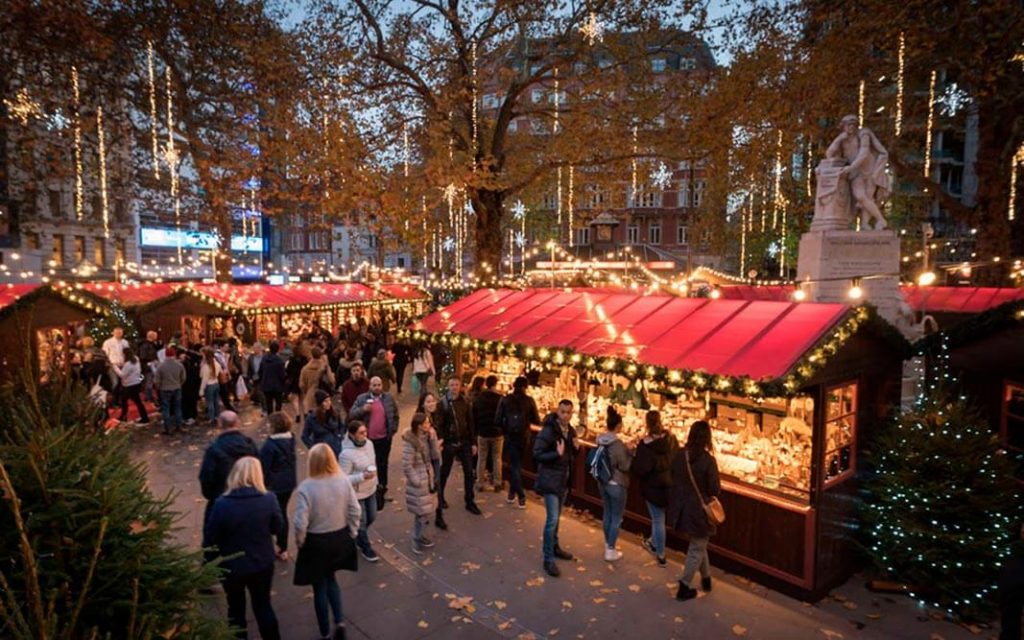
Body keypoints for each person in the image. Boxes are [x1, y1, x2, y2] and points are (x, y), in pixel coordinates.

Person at [204, 457, 283, 640]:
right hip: (262, 562)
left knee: (235, 609)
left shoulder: (222, 504)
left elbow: (211, 537)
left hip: (233, 566)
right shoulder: (268, 499)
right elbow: (277, 527)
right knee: (263, 605)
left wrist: (211, 562)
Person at [292, 443, 361, 640]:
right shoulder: (343, 482)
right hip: (339, 537)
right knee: (332, 580)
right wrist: (353, 531)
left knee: (319, 586)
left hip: (316, 541)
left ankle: (324, 632)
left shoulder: (307, 487)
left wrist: (300, 541)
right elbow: (355, 509)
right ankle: (339, 621)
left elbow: (299, 522)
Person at [669, 420, 721, 601]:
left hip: (682, 508)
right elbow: (714, 489)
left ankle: (706, 579)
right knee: (697, 547)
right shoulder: (708, 461)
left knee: (700, 544)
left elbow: (673, 476)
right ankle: (684, 587)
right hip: (699, 512)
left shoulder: (680, 455)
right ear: (707, 438)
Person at [199, 411, 258, 554]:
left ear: (220, 424)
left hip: (222, 498)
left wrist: (212, 495)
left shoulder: (214, 449)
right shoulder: (250, 445)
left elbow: (206, 478)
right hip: (249, 498)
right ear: (238, 423)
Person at [533, 399, 578, 577]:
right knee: (552, 519)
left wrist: (575, 449)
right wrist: (555, 454)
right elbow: (537, 453)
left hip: (563, 481)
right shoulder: (549, 431)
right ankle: (548, 558)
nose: (565, 415)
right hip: (551, 480)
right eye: (563, 412)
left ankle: (555, 546)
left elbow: (569, 456)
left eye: (568, 412)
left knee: (557, 518)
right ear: (557, 412)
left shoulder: (571, 431)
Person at [632, 410, 678, 567]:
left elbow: (640, 469)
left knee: (658, 519)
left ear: (647, 424)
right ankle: (652, 541)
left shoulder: (646, 445)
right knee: (659, 517)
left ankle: (661, 554)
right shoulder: (671, 440)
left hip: (653, 487)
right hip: (670, 485)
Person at [436, 377, 481, 527]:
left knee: (469, 472)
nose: (454, 387)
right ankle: (440, 497)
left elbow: (471, 423)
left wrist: (474, 442)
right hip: (450, 443)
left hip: (465, 442)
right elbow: (440, 424)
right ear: (448, 386)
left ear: (460, 386)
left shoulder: (466, 402)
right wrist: (442, 439)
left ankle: (470, 500)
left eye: (456, 384)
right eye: (451, 385)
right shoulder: (443, 403)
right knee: (445, 472)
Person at [349, 376, 399, 509]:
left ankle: (383, 488)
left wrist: (392, 430)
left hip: (384, 438)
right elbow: (351, 414)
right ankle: (370, 490)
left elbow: (395, 414)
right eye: (374, 385)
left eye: (379, 385)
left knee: (383, 464)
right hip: (368, 441)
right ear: (369, 386)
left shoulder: (388, 398)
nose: (377, 387)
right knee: (369, 465)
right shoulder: (362, 398)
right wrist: (363, 410)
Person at [496, 376, 540, 508]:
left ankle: (513, 494)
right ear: (525, 387)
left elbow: (497, 419)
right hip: (524, 437)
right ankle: (519, 495)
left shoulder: (505, 399)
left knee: (514, 465)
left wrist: (506, 429)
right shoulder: (529, 401)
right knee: (517, 465)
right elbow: (536, 420)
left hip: (510, 436)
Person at [338, 420, 380, 562]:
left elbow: (374, 463)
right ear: (352, 434)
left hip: (371, 488)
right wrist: (362, 476)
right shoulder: (346, 454)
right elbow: (343, 479)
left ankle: (354, 534)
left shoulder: (369, 444)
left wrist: (376, 481)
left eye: (365, 432)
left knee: (372, 516)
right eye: (361, 433)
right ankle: (365, 546)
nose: (365, 435)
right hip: (357, 493)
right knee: (361, 521)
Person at [595, 406, 632, 562]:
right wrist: (630, 453)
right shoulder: (618, 445)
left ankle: (607, 543)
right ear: (618, 426)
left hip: (602, 481)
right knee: (617, 517)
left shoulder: (600, 440)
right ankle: (610, 549)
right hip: (617, 483)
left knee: (607, 513)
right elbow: (625, 466)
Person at [259, 412, 297, 561]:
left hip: (274, 485)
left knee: (273, 514)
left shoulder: (270, 445)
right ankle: (283, 547)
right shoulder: (291, 439)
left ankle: (276, 545)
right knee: (282, 512)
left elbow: (264, 467)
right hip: (288, 483)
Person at [402, 412, 440, 554]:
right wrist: (416, 481)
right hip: (419, 480)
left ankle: (420, 536)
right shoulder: (410, 440)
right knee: (420, 513)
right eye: (426, 423)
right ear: (419, 426)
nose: (429, 425)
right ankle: (416, 539)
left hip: (427, 477)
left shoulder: (427, 436)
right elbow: (407, 465)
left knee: (426, 510)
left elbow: (435, 455)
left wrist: (433, 438)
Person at [472, 375, 504, 493]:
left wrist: (475, 430)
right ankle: (497, 483)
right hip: (497, 432)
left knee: (482, 457)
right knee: (497, 458)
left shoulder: (479, 398)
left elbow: (474, 415)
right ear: (495, 384)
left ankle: (480, 483)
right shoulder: (500, 398)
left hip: (483, 432)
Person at [154, 346, 186, 434]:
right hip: (177, 387)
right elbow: (183, 377)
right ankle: (179, 425)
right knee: (177, 407)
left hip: (165, 389)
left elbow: (157, 380)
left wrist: (159, 387)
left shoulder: (161, 366)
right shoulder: (179, 365)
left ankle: (168, 428)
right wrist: (179, 384)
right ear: (174, 354)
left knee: (166, 408)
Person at [302, 390, 344, 456]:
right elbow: (304, 436)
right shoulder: (312, 418)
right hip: (321, 452)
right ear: (320, 403)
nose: (328, 403)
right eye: (325, 401)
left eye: (329, 400)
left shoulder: (335, 413)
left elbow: (341, 426)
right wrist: (313, 447)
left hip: (336, 448)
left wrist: (340, 436)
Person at [115, 347, 149, 424]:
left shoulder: (128, 364)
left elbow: (122, 375)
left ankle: (124, 417)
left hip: (128, 385)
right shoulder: (136, 359)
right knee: (137, 401)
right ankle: (144, 417)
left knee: (125, 401)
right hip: (136, 383)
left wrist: (115, 367)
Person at [300, 346, 335, 417]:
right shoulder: (325, 367)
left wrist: (306, 392)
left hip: (310, 397)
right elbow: (332, 381)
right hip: (324, 396)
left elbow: (302, 385)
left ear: (311, 355)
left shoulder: (305, 368)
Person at [260, 341, 288, 415]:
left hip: (266, 385)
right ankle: (277, 419)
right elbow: (282, 375)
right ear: (277, 349)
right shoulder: (279, 361)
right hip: (277, 386)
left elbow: (260, 371)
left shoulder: (264, 359)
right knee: (278, 404)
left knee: (269, 403)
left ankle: (270, 418)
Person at [285, 341, 309, 425]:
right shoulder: (305, 359)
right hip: (302, 380)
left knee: (295, 399)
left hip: (294, 381)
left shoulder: (291, 360)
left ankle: (298, 414)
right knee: (303, 398)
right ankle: (306, 414)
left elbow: (288, 371)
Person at [199, 347, 223, 425]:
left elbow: (204, 379)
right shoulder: (216, 364)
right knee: (216, 402)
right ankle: (217, 416)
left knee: (210, 402)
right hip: (216, 384)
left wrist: (201, 390)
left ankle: (211, 418)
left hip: (209, 385)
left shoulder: (206, 366)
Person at [138, 330, 163, 402]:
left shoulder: (151, 344)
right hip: (148, 366)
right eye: (156, 336)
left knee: (150, 381)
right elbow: (143, 356)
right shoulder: (145, 345)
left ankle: (149, 396)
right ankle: (149, 397)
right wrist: (152, 360)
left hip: (151, 365)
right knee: (149, 381)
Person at [246, 341, 266, 410]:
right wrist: (250, 378)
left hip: (264, 377)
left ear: (259, 348)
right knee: (260, 393)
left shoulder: (265, 357)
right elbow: (249, 369)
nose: (254, 350)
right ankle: (264, 408)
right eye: (253, 348)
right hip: (256, 378)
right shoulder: (251, 357)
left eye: (255, 348)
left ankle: (265, 409)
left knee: (263, 393)